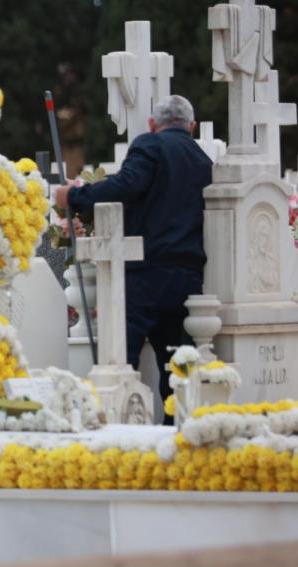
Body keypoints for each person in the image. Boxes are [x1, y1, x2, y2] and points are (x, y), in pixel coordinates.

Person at [55, 95, 212, 414]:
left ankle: (121, 424)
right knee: (177, 367)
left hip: (146, 273)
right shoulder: (203, 161)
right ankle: (176, 431)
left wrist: (73, 195)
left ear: (153, 124)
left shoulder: (150, 145)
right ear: (191, 127)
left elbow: (126, 186)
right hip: (187, 277)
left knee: (120, 360)